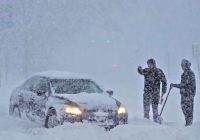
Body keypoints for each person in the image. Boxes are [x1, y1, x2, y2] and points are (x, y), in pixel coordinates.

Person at [138, 58, 167, 123]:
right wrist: (139, 68)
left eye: (150, 64)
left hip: (155, 94)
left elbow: (164, 81)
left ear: (154, 64)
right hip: (147, 93)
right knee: (146, 108)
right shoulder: (146, 71)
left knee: (155, 109)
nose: (149, 66)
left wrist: (163, 92)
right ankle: (146, 121)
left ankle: (156, 121)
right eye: (148, 64)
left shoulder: (158, 71)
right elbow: (141, 71)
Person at [170, 59, 196, 126]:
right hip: (183, 95)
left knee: (189, 111)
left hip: (188, 95)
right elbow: (182, 85)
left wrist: (192, 94)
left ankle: (189, 124)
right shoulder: (183, 75)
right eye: (181, 65)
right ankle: (188, 122)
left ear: (186, 65)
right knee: (184, 109)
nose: (181, 67)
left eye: (183, 65)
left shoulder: (191, 74)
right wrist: (174, 85)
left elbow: (193, 86)